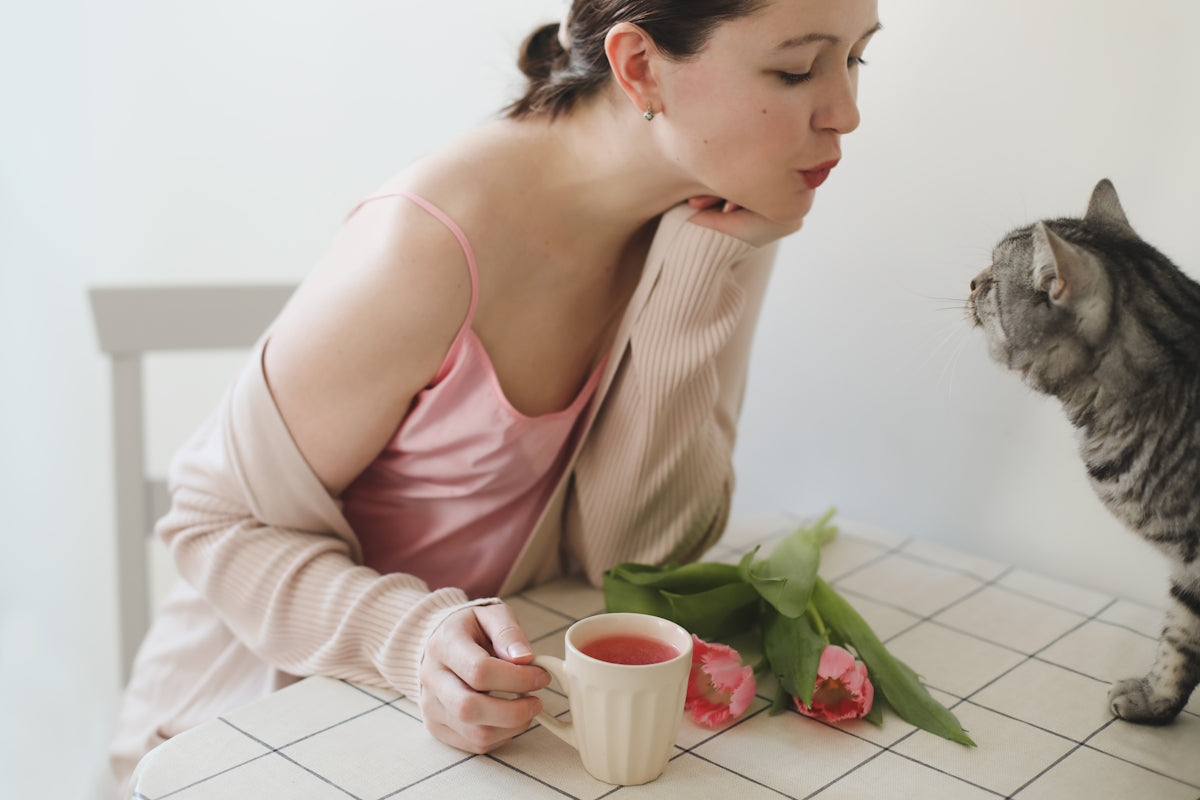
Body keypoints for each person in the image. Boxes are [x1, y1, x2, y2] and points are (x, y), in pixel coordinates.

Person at [109, 0, 880, 787]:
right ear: (640, 66)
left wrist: (696, 271)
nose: (846, 113)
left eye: (857, 58)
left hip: (473, 737)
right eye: (795, 69)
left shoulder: (720, 206)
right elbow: (212, 522)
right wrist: (414, 639)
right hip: (253, 726)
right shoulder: (433, 240)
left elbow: (634, 558)